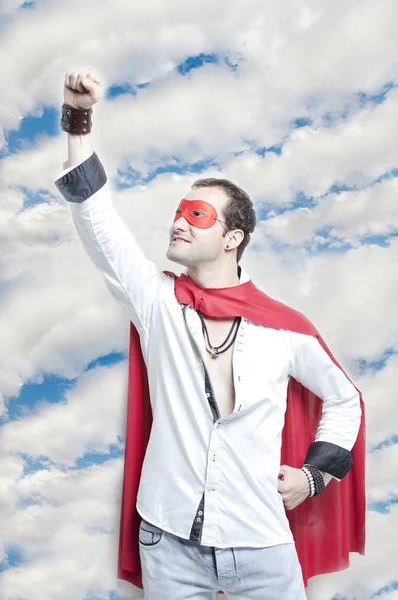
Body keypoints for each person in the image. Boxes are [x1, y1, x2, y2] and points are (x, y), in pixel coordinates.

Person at [54, 69, 365, 600]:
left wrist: (313, 476)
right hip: (168, 540)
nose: (179, 222)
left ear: (233, 238)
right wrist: (78, 119)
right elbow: (95, 217)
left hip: (262, 542)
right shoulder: (157, 302)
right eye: (179, 212)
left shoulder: (283, 327)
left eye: (197, 215)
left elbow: (345, 400)